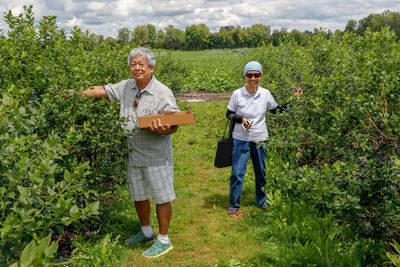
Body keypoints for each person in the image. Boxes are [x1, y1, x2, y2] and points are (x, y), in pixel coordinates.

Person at [74, 47, 179, 258]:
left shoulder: (162, 91)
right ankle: (146, 231)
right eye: (133, 64)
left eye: (141, 64)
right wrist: (76, 94)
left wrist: (165, 128)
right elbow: (102, 90)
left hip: (156, 155)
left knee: (161, 197)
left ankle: (164, 239)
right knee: (139, 194)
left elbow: (175, 122)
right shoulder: (126, 87)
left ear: (151, 67)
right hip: (133, 152)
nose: (137, 68)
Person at [226, 61, 301, 216]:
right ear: (245, 76)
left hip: (260, 139)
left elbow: (277, 111)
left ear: (261, 76)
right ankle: (234, 205)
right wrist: (240, 119)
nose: (253, 78)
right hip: (240, 138)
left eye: (256, 75)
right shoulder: (237, 94)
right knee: (237, 173)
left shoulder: (265, 94)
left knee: (261, 172)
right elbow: (229, 114)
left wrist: (294, 99)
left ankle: (262, 203)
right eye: (249, 75)